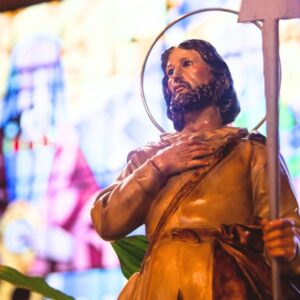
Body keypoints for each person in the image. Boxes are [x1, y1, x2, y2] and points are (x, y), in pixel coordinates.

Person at [91, 39, 300, 299]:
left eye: (187, 64)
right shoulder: (149, 156)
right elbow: (106, 221)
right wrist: (160, 166)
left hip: (226, 282)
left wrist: (289, 246)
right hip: (159, 284)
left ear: (218, 77)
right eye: (169, 72)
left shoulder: (252, 151)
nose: (175, 76)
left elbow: (288, 228)